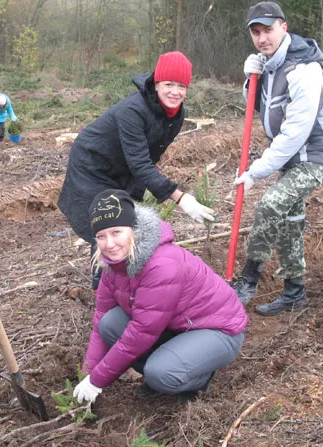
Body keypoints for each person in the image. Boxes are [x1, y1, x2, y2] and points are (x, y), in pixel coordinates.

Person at [72, 190, 247, 405]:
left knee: (160, 373)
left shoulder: (161, 265)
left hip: (216, 330)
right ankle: (166, 367)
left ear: (133, 230)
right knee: (110, 324)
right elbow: (100, 321)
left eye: (116, 232)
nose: (109, 244)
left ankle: (197, 378)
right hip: (175, 327)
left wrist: (97, 381)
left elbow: (142, 332)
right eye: (101, 236)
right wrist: (86, 375)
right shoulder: (112, 267)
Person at [58, 51, 215, 291]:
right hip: (93, 165)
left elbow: (150, 157)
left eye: (181, 86)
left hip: (122, 168)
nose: (175, 92)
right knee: (108, 222)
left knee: (126, 221)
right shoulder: (132, 110)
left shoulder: (176, 114)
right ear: (156, 83)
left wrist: (138, 189)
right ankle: (104, 290)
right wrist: (181, 198)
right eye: (168, 84)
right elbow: (140, 164)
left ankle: (124, 283)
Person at [232, 1, 323, 315]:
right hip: (294, 157)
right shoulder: (271, 64)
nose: (261, 38)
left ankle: (248, 281)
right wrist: (248, 79)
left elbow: (295, 132)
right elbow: (260, 107)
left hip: (315, 155)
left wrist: (257, 170)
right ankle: (294, 293)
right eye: (255, 32)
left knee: (270, 207)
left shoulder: (303, 70)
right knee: (290, 222)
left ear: (284, 27)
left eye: (267, 29)